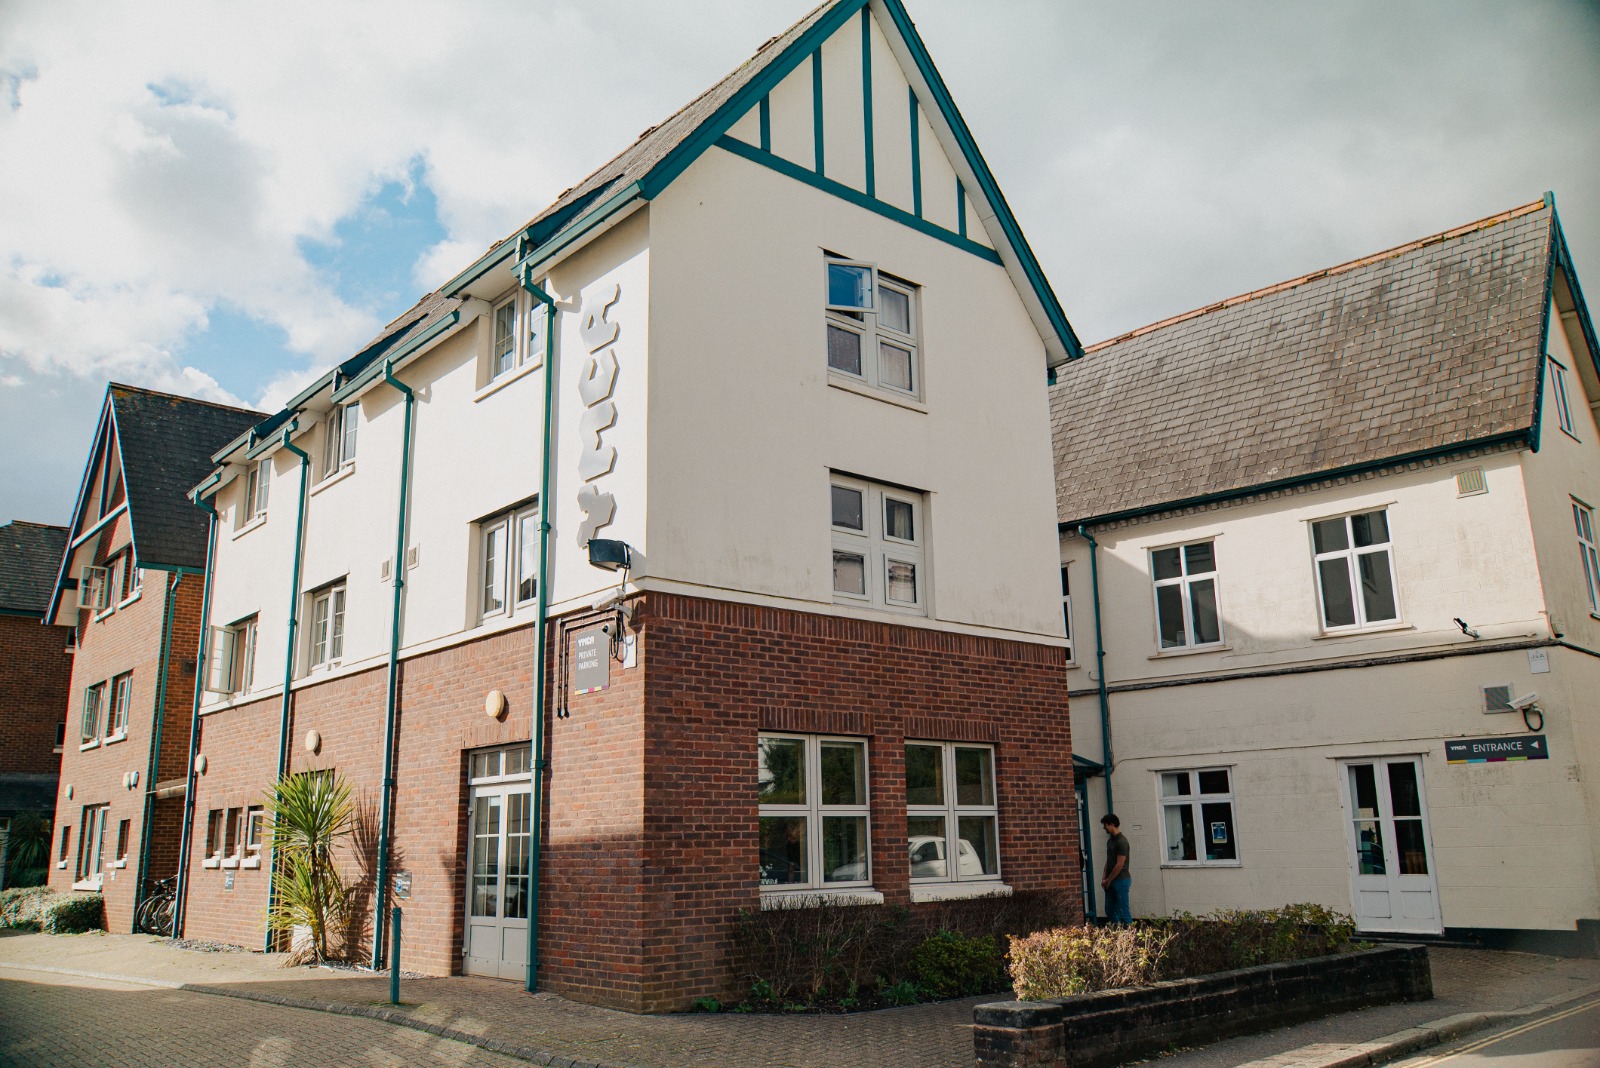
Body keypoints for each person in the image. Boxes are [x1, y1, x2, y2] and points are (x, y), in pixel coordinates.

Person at [1100, 814, 1132, 925]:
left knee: (1124, 911)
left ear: (1112, 824)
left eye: (1105, 825)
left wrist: (1109, 880)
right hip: (1110, 880)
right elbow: (1108, 860)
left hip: (1121, 880)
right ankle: (1117, 932)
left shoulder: (1122, 841)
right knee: (1110, 910)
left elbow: (1120, 864)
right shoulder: (1110, 841)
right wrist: (1104, 877)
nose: (1104, 828)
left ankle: (1129, 935)